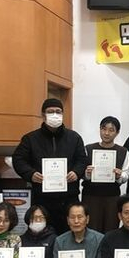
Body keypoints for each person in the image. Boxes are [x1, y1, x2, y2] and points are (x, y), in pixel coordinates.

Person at [12, 98, 89, 235]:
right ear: (43, 115)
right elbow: (18, 160)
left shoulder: (74, 137)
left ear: (63, 114)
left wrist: (76, 172)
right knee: (42, 234)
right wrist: (30, 174)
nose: (55, 114)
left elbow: (82, 159)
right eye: (50, 111)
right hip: (42, 199)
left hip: (69, 198)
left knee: (70, 234)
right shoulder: (30, 139)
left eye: (58, 112)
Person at [82, 116, 129, 233]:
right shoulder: (88, 149)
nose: (106, 133)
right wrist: (87, 173)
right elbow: (81, 172)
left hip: (112, 197)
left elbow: (126, 174)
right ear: (100, 129)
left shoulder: (123, 151)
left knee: (111, 229)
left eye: (111, 130)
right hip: (91, 196)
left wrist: (119, 176)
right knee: (91, 230)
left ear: (117, 132)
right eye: (104, 129)